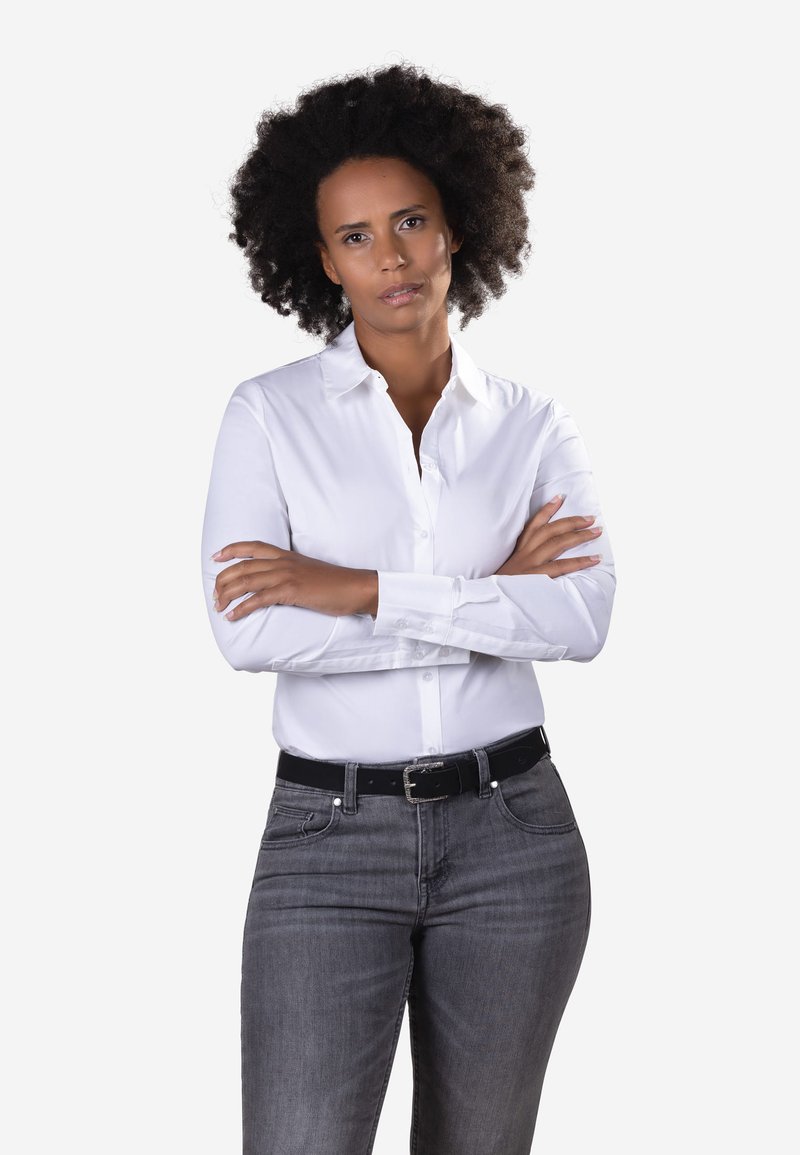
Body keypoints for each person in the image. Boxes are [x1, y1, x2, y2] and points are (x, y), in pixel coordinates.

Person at [200, 62, 616, 1155]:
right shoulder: (268, 418)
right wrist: (486, 602)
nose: (388, 257)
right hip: (326, 840)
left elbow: (578, 621)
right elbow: (250, 630)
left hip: (514, 838)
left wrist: (356, 592)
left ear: (457, 228)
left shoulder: (531, 425)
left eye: (410, 222)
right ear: (318, 260)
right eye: (353, 237)